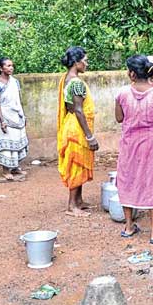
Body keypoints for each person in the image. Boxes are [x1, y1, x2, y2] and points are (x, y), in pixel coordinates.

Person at [115, 55, 153, 244]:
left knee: (128, 178)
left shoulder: (122, 93)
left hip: (130, 143)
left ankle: (128, 226)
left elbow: (119, 118)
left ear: (132, 73)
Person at [57, 46, 99, 217]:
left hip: (72, 124)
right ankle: (72, 205)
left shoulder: (66, 79)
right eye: (85, 60)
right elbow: (79, 110)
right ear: (76, 62)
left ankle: (79, 200)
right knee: (76, 164)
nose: (87, 63)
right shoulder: (76, 83)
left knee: (79, 162)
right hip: (77, 128)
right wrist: (90, 136)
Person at [0, 57, 29, 180]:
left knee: (17, 141)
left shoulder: (15, 82)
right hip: (4, 115)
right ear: (1, 68)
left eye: (12, 65)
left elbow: (18, 100)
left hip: (16, 115)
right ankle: (6, 170)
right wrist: (2, 120)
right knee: (7, 142)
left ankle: (16, 167)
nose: (11, 68)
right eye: (8, 66)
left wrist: (22, 115)